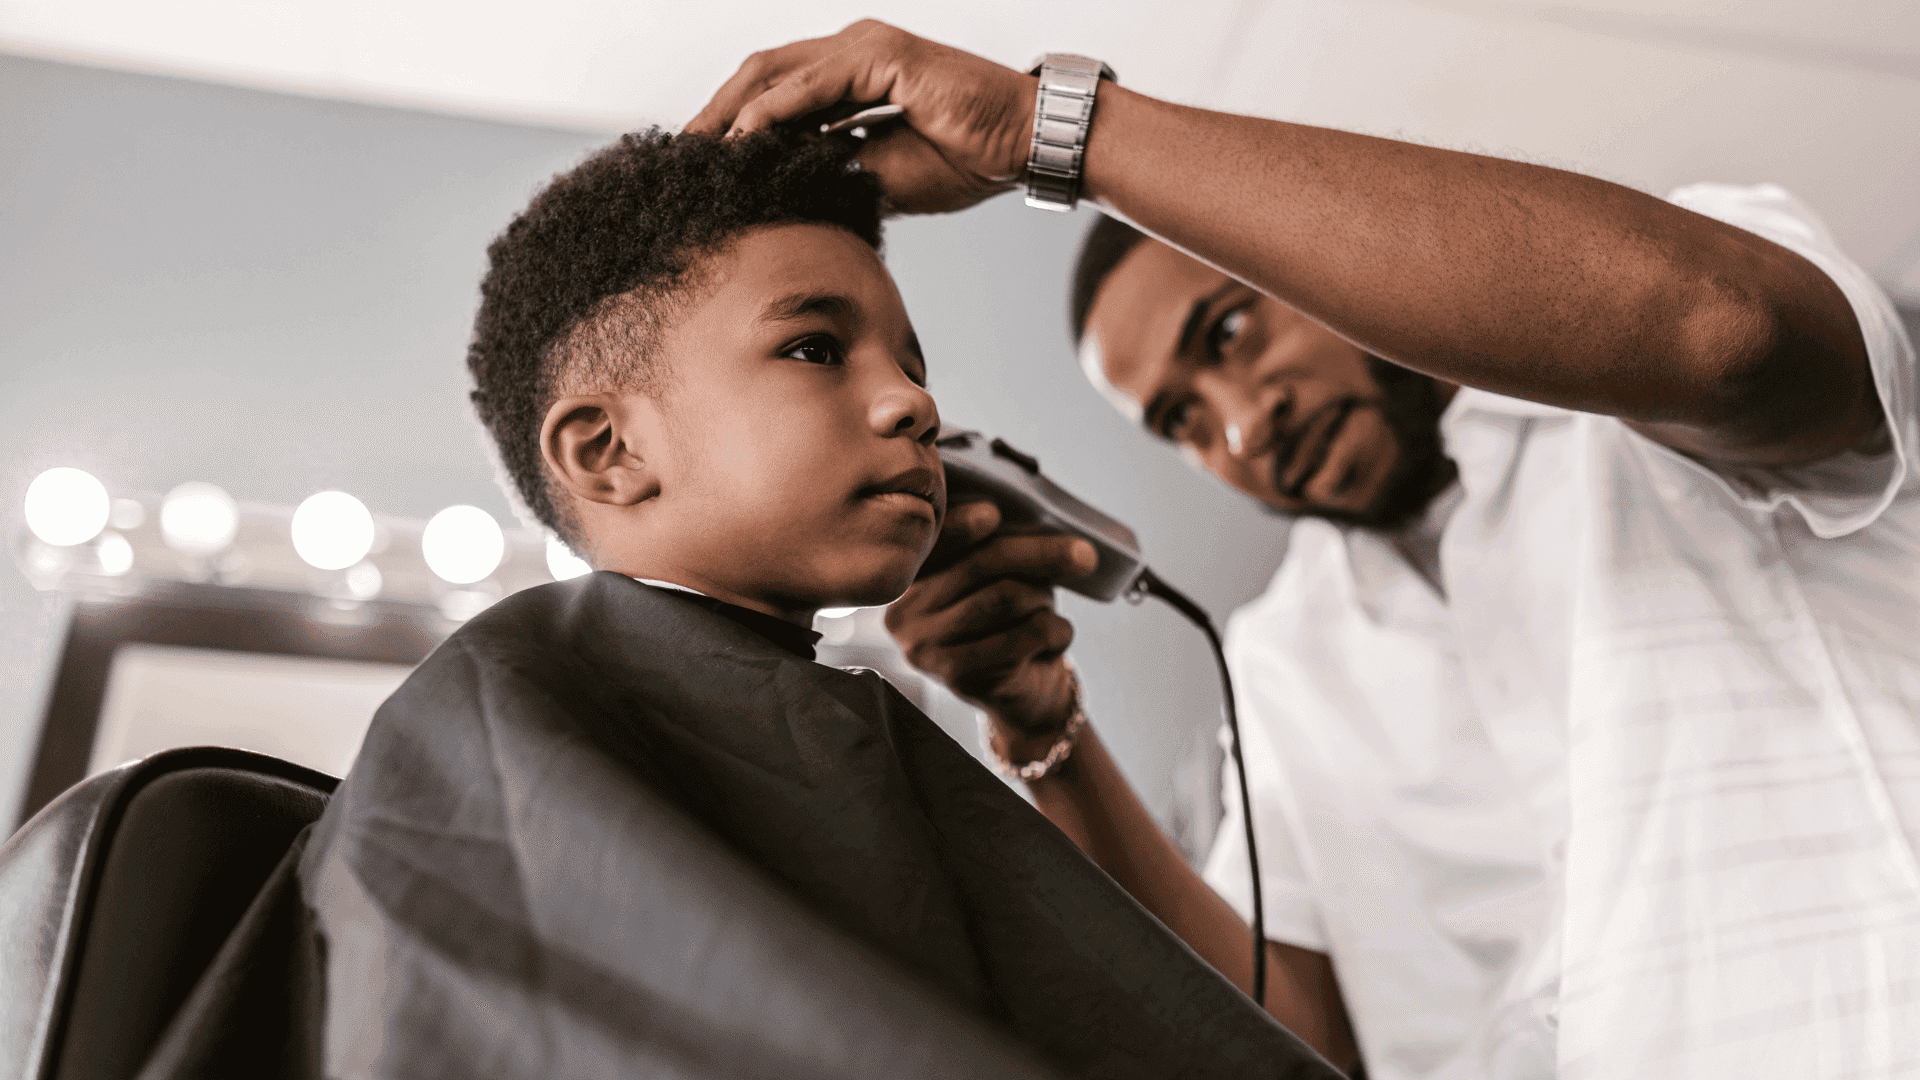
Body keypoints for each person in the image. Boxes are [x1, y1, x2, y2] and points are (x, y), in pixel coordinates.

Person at [690, 20, 1920, 1080]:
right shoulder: (1285, 660)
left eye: (1230, 335)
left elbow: (1727, 335)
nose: (1241, 426)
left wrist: (1052, 131)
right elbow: (1283, 1032)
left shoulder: (1651, 430)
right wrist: (1043, 728)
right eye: (1182, 420)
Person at [277, 128, 1340, 1080]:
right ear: (608, 451)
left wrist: (1043, 720)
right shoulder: (509, 710)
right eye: (815, 349)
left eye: (913, 367)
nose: (915, 402)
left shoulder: (834, 725)